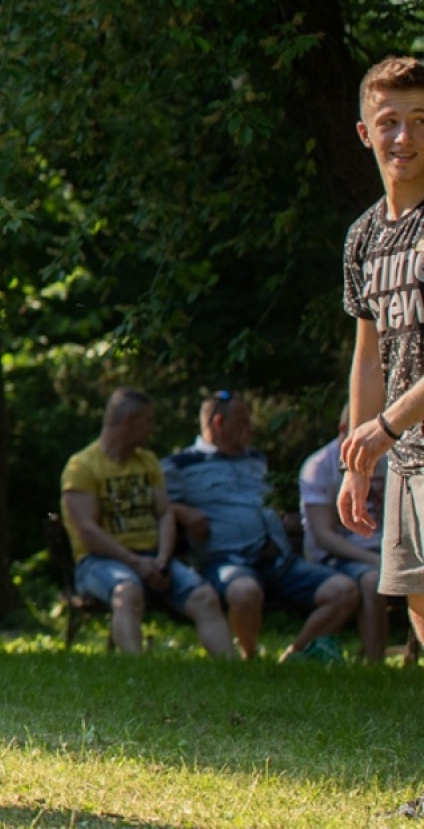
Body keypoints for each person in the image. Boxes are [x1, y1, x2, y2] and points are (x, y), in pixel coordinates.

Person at [162, 392, 359, 662]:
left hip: (280, 561)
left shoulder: (255, 458)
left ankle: (293, 656)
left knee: (344, 591)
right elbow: (156, 508)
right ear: (218, 423)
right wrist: (180, 511)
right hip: (227, 562)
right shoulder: (180, 466)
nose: (251, 429)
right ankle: (249, 656)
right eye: (243, 422)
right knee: (245, 592)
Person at [340, 55, 424, 667]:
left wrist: (386, 426)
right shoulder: (363, 236)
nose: (405, 136)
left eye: (421, 120)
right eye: (390, 121)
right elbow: (368, 357)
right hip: (405, 456)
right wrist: (358, 463)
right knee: (419, 603)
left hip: (400, 432)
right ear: (366, 133)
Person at [60, 388, 234, 656]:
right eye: (147, 421)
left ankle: (230, 667)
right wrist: (135, 563)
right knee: (127, 592)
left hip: (153, 559)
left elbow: (164, 513)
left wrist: (162, 560)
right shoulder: (81, 466)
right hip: (98, 562)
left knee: (205, 597)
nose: (151, 429)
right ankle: (137, 669)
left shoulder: (148, 461)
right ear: (128, 421)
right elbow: (86, 531)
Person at [299, 406, 388, 664]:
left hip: (382, 550)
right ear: (343, 429)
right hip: (336, 557)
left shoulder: (387, 459)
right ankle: (375, 664)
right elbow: (324, 536)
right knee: (373, 580)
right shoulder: (319, 466)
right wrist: (375, 560)